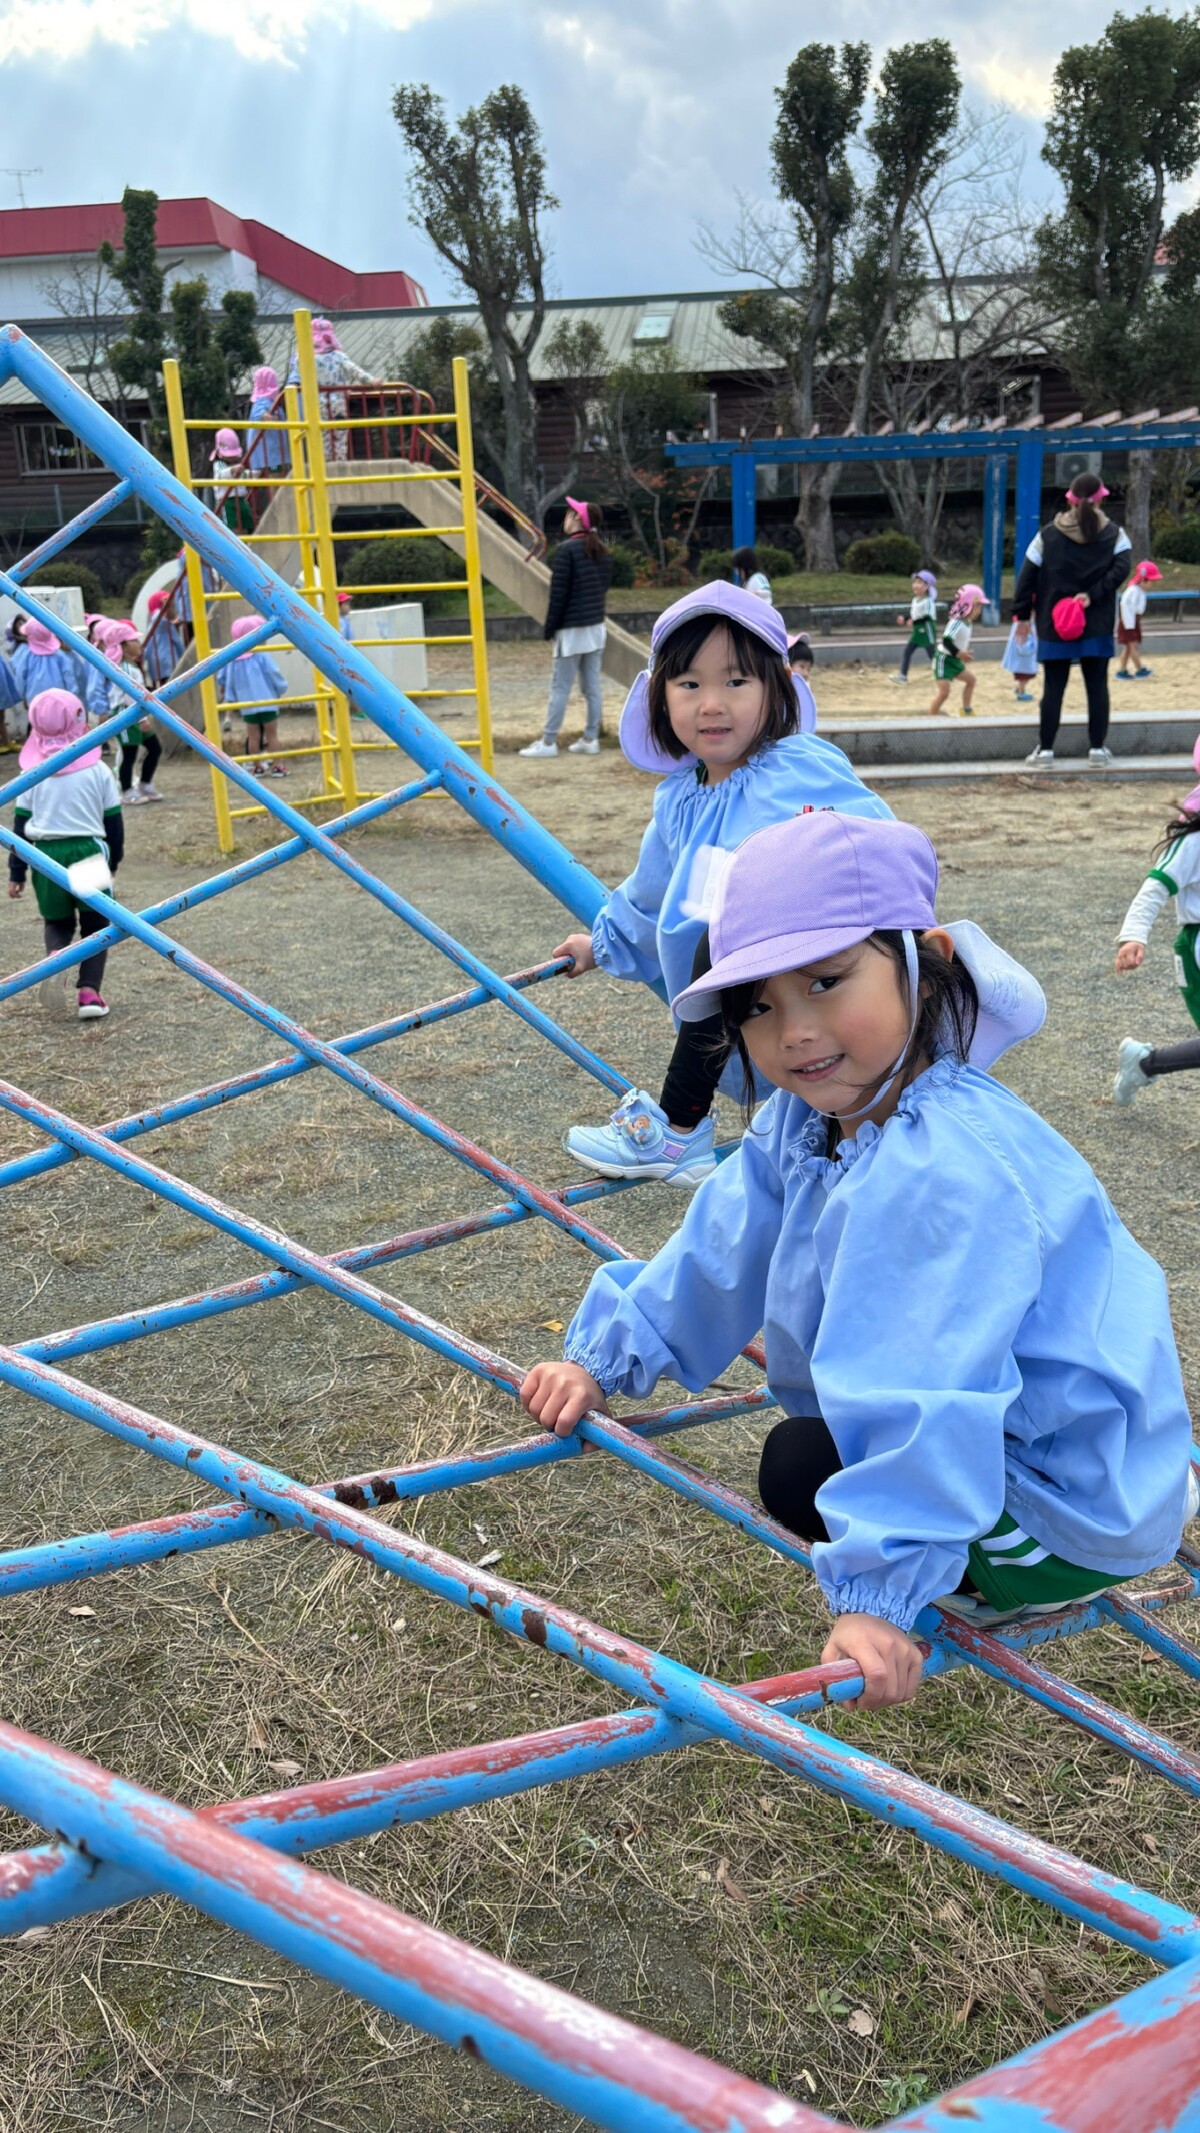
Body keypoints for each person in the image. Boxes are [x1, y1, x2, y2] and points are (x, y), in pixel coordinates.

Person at [521, 810, 1194, 1708]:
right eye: (757, 1004)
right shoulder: (808, 1118)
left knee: (800, 1467)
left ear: (925, 960)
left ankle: (990, 1579)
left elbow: (929, 1379)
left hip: (1068, 1497)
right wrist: (605, 1357)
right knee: (813, 1446)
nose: (794, 1029)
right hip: (1055, 1437)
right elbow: (717, 1247)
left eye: (827, 980)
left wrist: (883, 1591)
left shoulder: (939, 1167)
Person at [551, 581, 891, 1186]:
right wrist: (600, 946)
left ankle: (680, 1128)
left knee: (727, 942)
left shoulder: (797, 766)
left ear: (774, 689)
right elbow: (651, 895)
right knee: (724, 959)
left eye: (736, 682)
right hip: (743, 993)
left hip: (817, 968)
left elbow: (873, 838)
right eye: (689, 685)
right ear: (661, 699)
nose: (712, 704)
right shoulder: (679, 801)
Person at [6, 689, 125, 1021]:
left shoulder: (31, 775)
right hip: (86, 852)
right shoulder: (98, 770)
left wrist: (16, 872)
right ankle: (89, 992)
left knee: (57, 921)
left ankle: (56, 962)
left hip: (44, 856)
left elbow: (20, 828)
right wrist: (113, 861)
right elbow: (113, 825)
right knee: (96, 924)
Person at [1012, 472, 1131, 768]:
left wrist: (1023, 615)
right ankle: (1097, 749)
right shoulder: (1115, 534)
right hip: (1097, 622)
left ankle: (1046, 750)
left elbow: (1026, 576)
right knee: (1097, 686)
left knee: (1053, 687)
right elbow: (1121, 570)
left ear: (1070, 499)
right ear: (1100, 499)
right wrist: (1093, 594)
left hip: (1055, 623)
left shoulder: (1047, 535)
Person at [1112, 744, 1200, 1101]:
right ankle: (1145, 1064)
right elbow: (1155, 888)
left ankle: (1145, 1064)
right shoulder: (1193, 842)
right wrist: (1134, 935)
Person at [520, 500, 612, 760]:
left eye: (570, 513)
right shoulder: (603, 552)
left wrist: (549, 630)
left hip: (571, 632)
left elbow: (558, 597)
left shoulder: (565, 551)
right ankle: (591, 739)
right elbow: (603, 589)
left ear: (578, 519)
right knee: (591, 688)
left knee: (560, 688)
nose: (566, 517)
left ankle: (548, 742)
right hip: (596, 628)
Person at [288, 318, 375, 462]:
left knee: (323, 439)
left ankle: (326, 467)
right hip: (338, 405)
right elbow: (355, 370)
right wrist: (371, 381)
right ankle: (340, 464)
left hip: (317, 406)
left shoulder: (305, 358)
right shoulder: (338, 356)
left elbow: (297, 371)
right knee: (340, 437)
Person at [220, 615, 288, 773]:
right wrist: (281, 689)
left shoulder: (233, 658)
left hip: (247, 705)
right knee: (272, 735)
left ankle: (257, 767)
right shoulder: (262, 655)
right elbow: (274, 673)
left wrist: (230, 694)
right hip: (267, 702)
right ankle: (277, 765)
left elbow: (224, 678)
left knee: (253, 737)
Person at [105, 623, 162, 804]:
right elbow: (131, 695)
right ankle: (127, 791)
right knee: (129, 752)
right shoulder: (125, 668)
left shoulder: (132, 666)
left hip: (135, 713)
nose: (139, 643)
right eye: (134, 640)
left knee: (154, 748)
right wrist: (142, 719)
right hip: (125, 713)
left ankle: (145, 784)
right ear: (122, 646)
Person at [928, 585, 984, 718]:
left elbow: (958, 642)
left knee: (971, 681)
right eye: (977, 606)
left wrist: (964, 652)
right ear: (967, 605)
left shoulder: (967, 622)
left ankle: (966, 710)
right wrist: (960, 653)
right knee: (944, 693)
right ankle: (930, 719)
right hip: (944, 660)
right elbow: (946, 641)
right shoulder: (957, 622)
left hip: (955, 660)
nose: (979, 610)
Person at [1116, 560, 1163, 681]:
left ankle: (1122, 670)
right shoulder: (1133, 591)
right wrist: (1129, 624)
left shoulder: (1138, 591)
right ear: (1143, 580)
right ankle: (1139, 669)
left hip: (1132, 621)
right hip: (1129, 622)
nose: (1151, 584)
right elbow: (1125, 605)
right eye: (1150, 581)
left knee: (1128, 647)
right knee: (1133, 645)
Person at [891, 571, 939, 683]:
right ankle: (903, 676)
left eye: (919, 582)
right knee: (907, 651)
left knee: (932, 654)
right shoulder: (915, 600)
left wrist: (914, 622)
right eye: (915, 582)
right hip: (917, 631)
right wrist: (905, 619)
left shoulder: (928, 602)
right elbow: (914, 616)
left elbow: (927, 618)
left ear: (927, 587)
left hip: (927, 631)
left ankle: (945, 672)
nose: (915, 585)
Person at [245, 364, 288, 475]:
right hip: (270, 455)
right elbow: (261, 416)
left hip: (274, 454)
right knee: (275, 477)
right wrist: (275, 420)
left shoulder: (270, 403)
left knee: (281, 476)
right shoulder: (262, 401)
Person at [210, 428, 251, 534]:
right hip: (227, 501)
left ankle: (245, 538)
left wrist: (252, 474)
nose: (232, 458)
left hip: (241, 499)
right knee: (233, 527)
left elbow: (244, 475)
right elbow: (220, 475)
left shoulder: (237, 465)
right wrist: (232, 470)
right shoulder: (218, 465)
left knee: (246, 523)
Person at [1001, 613, 1038, 703]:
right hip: (1024, 651)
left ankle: (1019, 689)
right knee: (1025, 673)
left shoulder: (1023, 622)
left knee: (1026, 673)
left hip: (1024, 651)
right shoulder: (1024, 623)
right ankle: (1020, 692)